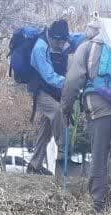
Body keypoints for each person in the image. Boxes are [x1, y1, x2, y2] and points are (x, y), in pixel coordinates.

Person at [61, 17, 111, 215]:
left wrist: (66, 108)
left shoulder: (87, 47)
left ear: (91, 31)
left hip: (99, 106)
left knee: (99, 156)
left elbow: (72, 82)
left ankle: (98, 206)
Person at [26, 20, 80, 177]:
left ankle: (34, 166)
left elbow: (77, 37)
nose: (61, 46)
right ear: (53, 37)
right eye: (60, 42)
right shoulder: (39, 48)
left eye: (64, 41)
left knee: (46, 128)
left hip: (50, 90)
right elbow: (49, 76)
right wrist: (71, 84)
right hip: (40, 91)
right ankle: (63, 155)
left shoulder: (57, 38)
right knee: (57, 113)